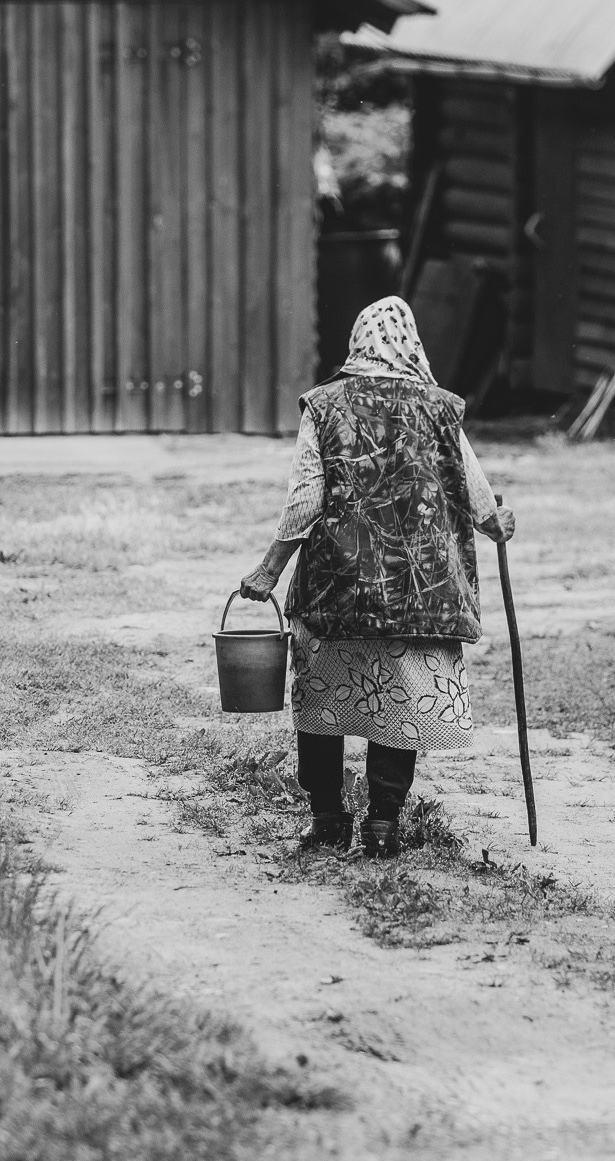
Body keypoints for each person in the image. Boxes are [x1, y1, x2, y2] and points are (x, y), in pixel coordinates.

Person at [238, 296, 515, 858]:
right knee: (402, 711)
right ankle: (383, 823)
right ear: (411, 344)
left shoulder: (326, 405)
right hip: (422, 596)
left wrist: (270, 570)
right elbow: (477, 490)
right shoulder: (440, 409)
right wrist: (495, 523)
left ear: (357, 343)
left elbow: (306, 499)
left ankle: (328, 820)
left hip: (337, 592)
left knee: (322, 706)